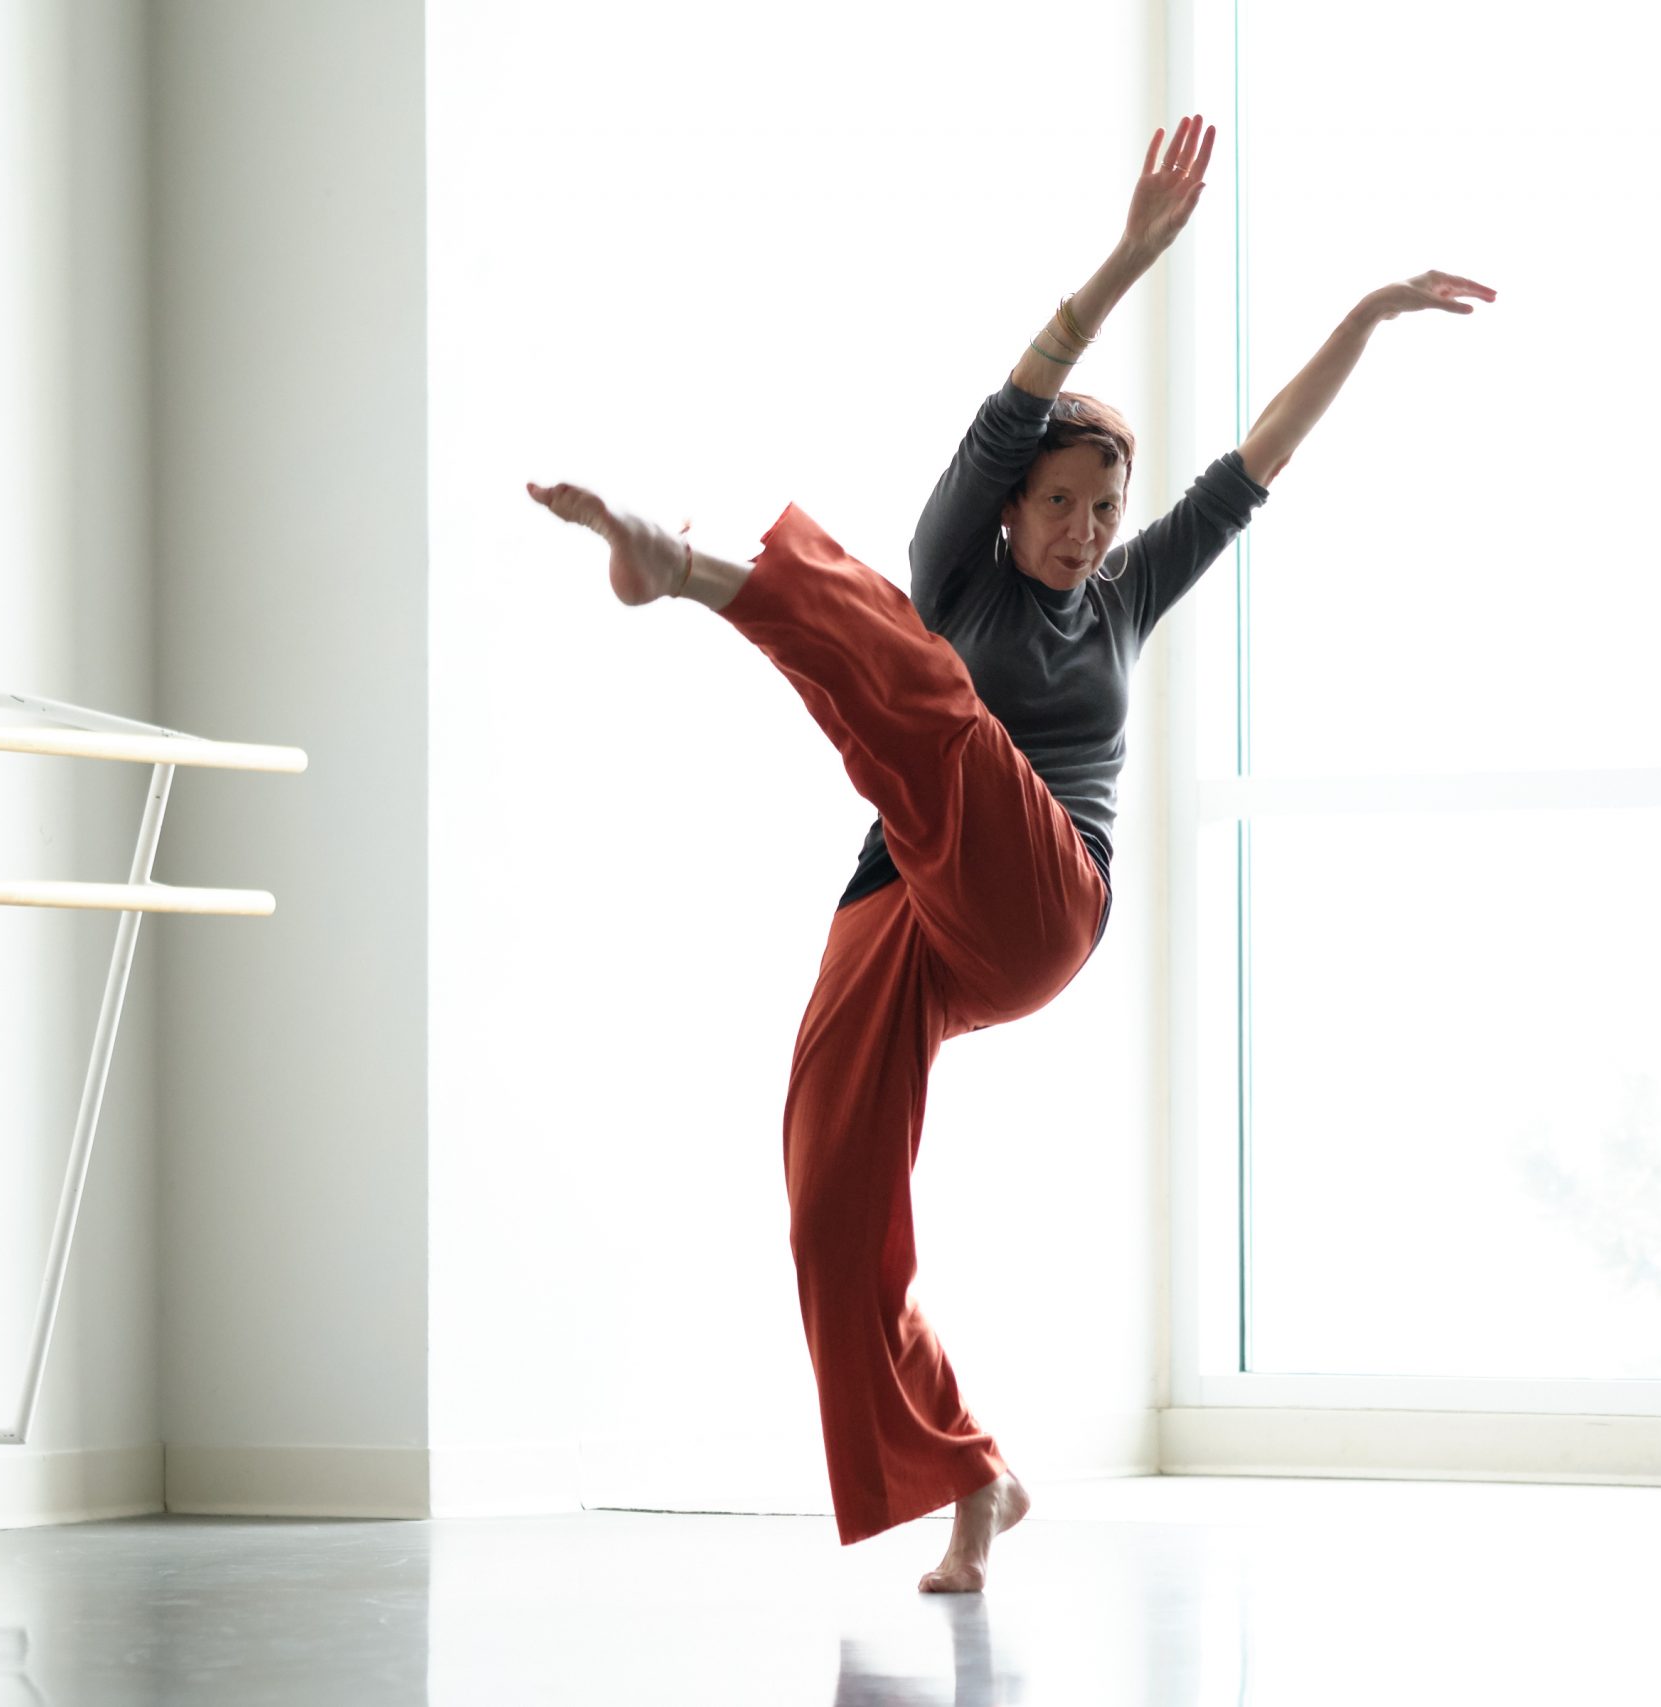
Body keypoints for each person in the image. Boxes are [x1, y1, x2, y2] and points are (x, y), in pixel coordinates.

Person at [530, 114, 1493, 1594]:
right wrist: (1131, 255)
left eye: (1106, 511)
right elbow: (1015, 401)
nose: (1089, 533)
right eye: (1062, 506)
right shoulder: (955, 564)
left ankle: (693, 571)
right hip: (911, 902)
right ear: (1009, 506)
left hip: (1044, 902)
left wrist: (1364, 316)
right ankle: (976, 1476)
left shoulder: (1125, 595)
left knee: (931, 702)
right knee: (832, 1207)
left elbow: (1263, 458)